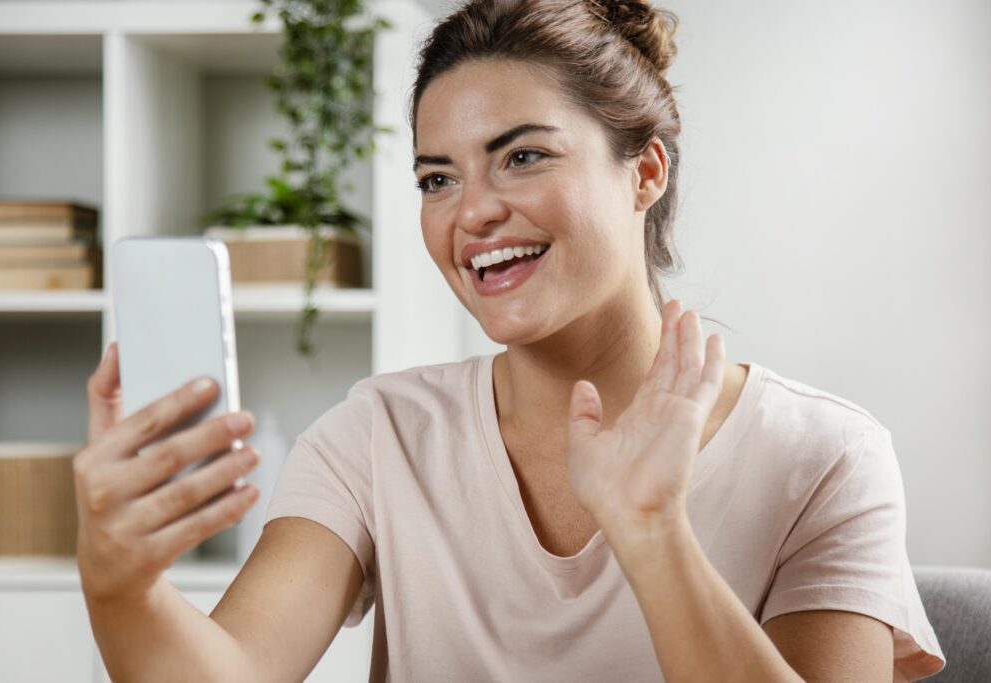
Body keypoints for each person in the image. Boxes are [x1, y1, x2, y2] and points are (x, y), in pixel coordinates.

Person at [76, 1, 946, 680]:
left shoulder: (824, 455)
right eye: (437, 177)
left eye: (522, 155)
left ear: (645, 171)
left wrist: (652, 535)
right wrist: (121, 583)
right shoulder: (379, 435)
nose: (473, 211)